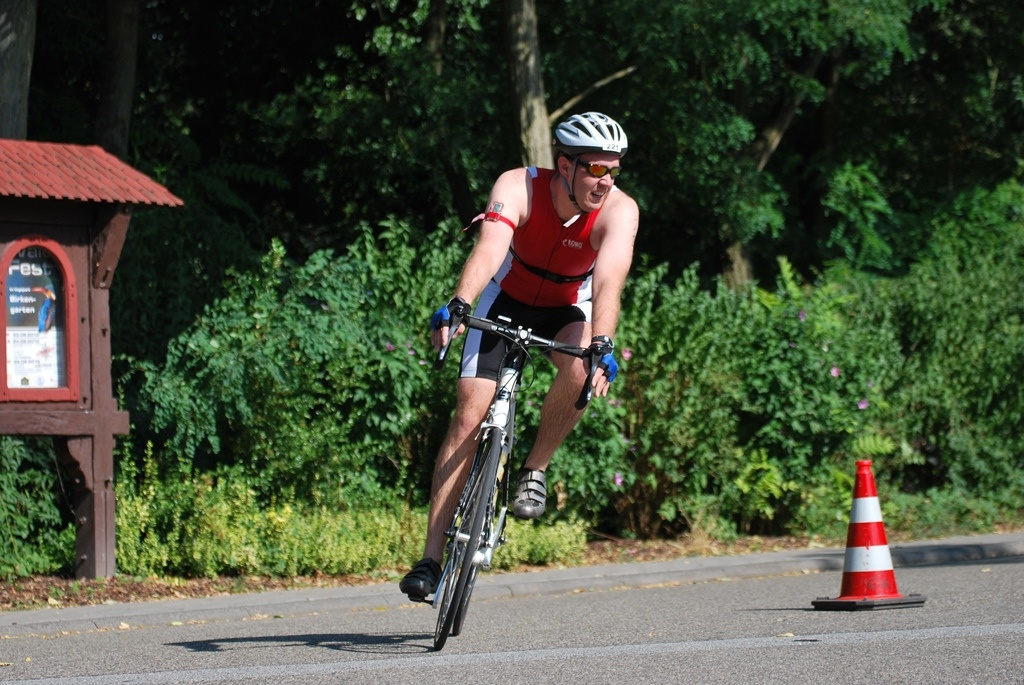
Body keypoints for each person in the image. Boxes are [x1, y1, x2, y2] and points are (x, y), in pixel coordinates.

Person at [400, 112, 640, 600]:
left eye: (614, 170)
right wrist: (460, 303)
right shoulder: (518, 186)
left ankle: (534, 469)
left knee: (581, 368)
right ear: (565, 165)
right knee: (468, 415)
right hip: (504, 297)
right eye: (596, 169)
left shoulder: (620, 210)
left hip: (568, 306)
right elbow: (490, 249)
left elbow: (609, 281)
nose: (606, 181)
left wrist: (602, 342)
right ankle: (430, 559)